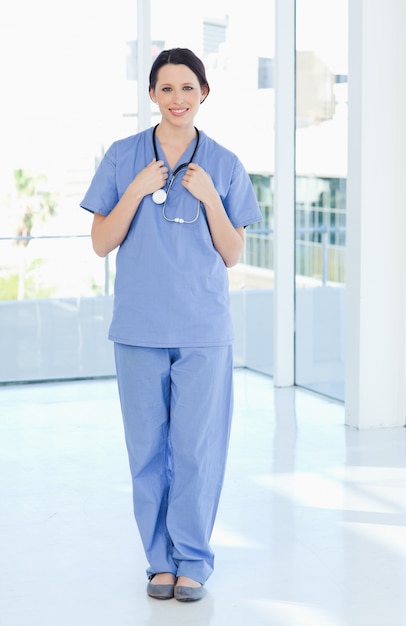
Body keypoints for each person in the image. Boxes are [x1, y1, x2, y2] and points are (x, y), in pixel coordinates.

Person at [80, 47, 262, 602]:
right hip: (138, 327)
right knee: (148, 450)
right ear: (153, 94)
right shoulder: (121, 157)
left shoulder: (225, 165)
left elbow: (232, 254)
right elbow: (101, 243)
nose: (177, 98)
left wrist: (209, 199)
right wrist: (136, 189)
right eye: (167, 88)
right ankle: (160, 560)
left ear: (203, 93)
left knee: (196, 450)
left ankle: (194, 560)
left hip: (203, 328)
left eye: (188, 88)